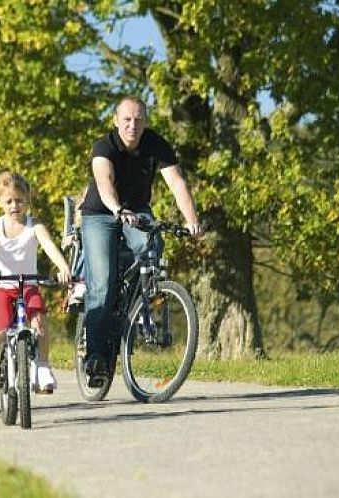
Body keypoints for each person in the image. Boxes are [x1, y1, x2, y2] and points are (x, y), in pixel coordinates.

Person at [79, 95, 202, 383]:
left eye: (138, 119)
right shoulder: (104, 146)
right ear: (116, 121)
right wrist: (117, 209)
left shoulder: (155, 144)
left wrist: (192, 221)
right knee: (102, 282)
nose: (132, 125)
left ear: (145, 121)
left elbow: (176, 183)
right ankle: (95, 357)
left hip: (136, 210)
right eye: (127, 119)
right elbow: (104, 183)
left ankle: (139, 299)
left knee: (153, 246)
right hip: (100, 214)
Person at [0, 172, 71, 393]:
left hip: (28, 285)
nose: (15, 206)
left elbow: (49, 246)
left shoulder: (34, 225)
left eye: (19, 201)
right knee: (1, 328)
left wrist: (63, 268)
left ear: (27, 200)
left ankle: (42, 366)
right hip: (1, 286)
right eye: (9, 201)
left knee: (39, 322)